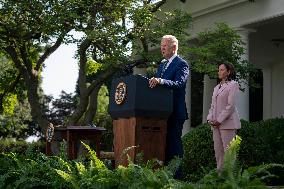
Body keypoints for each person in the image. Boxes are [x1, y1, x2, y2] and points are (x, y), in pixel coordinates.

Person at [149, 35, 189, 174]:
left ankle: (177, 179)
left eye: (165, 45)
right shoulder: (162, 65)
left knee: (174, 146)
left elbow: (179, 83)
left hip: (175, 112)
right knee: (162, 146)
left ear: (174, 47)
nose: (162, 48)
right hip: (161, 113)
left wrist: (160, 81)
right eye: (161, 45)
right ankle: (164, 177)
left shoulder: (181, 64)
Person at [206, 62, 241, 172]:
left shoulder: (233, 85)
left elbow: (230, 106)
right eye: (219, 70)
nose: (219, 72)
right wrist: (210, 118)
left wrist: (219, 120)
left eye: (222, 70)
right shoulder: (216, 87)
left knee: (229, 153)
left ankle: (230, 180)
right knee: (218, 153)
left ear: (228, 72)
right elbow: (212, 106)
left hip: (228, 124)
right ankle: (220, 179)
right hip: (215, 125)